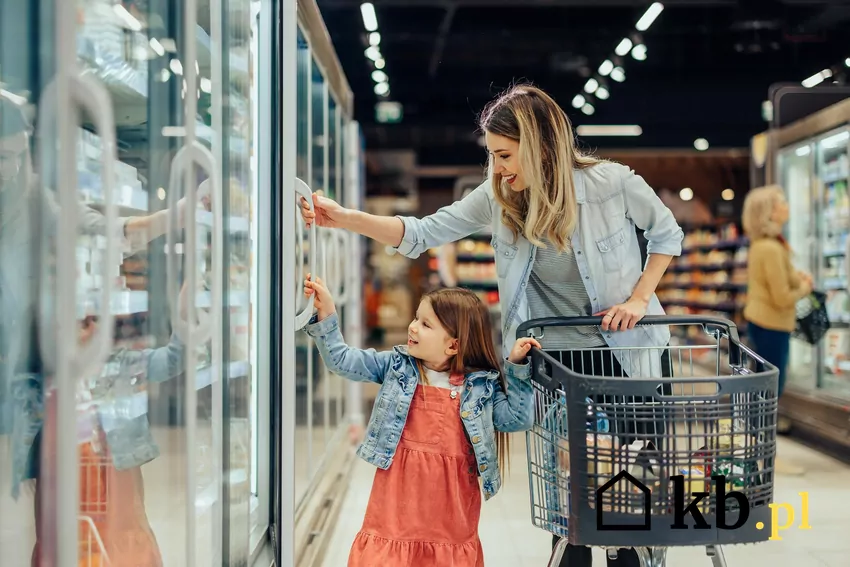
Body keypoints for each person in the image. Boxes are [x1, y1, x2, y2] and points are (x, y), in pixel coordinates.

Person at [302, 84, 683, 566]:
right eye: (493, 156)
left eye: (504, 155)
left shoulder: (612, 184)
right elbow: (423, 232)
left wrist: (639, 297)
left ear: (539, 143)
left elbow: (667, 233)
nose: (498, 168)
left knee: (633, 499)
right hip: (557, 368)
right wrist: (345, 218)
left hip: (631, 357)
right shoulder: (500, 198)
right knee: (571, 507)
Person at [302, 275, 537, 567]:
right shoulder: (395, 367)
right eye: (416, 318)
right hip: (395, 501)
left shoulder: (480, 387)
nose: (412, 327)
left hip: (450, 510)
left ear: (453, 345)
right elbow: (342, 360)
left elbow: (518, 418)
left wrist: (516, 367)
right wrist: (326, 316)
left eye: (426, 324)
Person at [742, 185, 811, 472]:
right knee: (770, 393)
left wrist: (797, 278)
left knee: (765, 392)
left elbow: (781, 282)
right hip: (770, 324)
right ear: (769, 211)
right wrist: (805, 289)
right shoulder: (769, 247)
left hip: (766, 324)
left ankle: (763, 451)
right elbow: (781, 297)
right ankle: (766, 454)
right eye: (781, 201)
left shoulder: (770, 244)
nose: (786, 204)